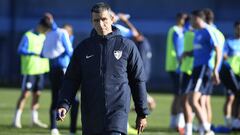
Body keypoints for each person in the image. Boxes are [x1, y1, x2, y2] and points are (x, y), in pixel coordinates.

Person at [57, 2, 149, 135]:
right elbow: (71, 80)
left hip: (117, 114)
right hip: (91, 116)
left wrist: (142, 113)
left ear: (112, 19)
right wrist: (64, 104)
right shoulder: (83, 48)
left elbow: (138, 80)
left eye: (104, 19)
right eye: (96, 20)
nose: (100, 24)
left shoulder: (127, 46)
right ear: (91, 21)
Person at [183, 10, 222, 135]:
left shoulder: (209, 31)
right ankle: (204, 129)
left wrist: (215, 70)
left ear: (199, 19)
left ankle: (207, 130)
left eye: (193, 19)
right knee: (192, 100)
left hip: (204, 68)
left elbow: (218, 50)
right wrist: (187, 53)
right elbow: (199, 51)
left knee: (194, 100)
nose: (191, 22)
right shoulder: (197, 33)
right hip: (196, 68)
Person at [13, 17, 51, 129]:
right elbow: (20, 50)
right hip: (30, 70)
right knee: (25, 94)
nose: (46, 31)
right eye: (45, 28)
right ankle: (16, 120)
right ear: (40, 25)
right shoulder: (28, 35)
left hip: (41, 70)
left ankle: (34, 120)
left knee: (37, 95)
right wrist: (32, 53)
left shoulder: (45, 36)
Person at [117, 13, 156, 111]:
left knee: (135, 87)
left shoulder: (142, 44)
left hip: (142, 70)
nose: (133, 38)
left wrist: (125, 21)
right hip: (145, 70)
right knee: (136, 87)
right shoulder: (145, 42)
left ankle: (148, 101)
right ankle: (145, 102)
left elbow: (140, 60)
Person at [42, 16, 73, 135]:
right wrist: (51, 21)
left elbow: (70, 53)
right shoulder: (57, 37)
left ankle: (72, 129)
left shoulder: (66, 38)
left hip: (67, 72)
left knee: (74, 100)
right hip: (58, 70)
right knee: (55, 98)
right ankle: (53, 127)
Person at [165, 12, 187, 131]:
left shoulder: (174, 30)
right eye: (183, 18)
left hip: (173, 66)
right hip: (177, 66)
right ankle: (179, 123)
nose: (184, 20)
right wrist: (182, 61)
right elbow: (179, 49)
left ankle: (173, 123)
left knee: (177, 95)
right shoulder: (177, 30)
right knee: (180, 95)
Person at [222, 21, 240, 129]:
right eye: (237, 28)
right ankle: (228, 121)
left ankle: (236, 121)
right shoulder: (229, 42)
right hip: (231, 74)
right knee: (230, 98)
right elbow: (223, 54)